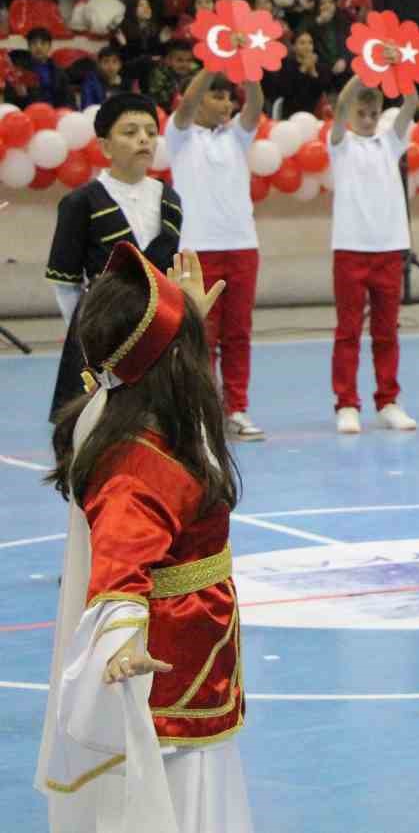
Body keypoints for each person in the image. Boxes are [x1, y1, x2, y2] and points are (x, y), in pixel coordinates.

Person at [36, 243, 252, 833]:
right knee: (175, 804)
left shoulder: (124, 407)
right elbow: (118, 567)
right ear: (173, 361)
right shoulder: (140, 461)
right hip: (169, 666)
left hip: (196, 650)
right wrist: (121, 638)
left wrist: (191, 328)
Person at [45, 94, 183, 418]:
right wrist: (89, 333)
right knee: (99, 426)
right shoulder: (80, 203)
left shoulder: (171, 200)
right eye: (130, 131)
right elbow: (65, 285)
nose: (143, 139)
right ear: (105, 146)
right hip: (101, 334)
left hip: (160, 331)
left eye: (150, 131)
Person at [166, 70, 267, 441]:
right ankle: (201, 411)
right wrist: (212, 61)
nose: (226, 105)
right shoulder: (179, 135)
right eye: (217, 96)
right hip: (196, 249)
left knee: (238, 333)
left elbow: (254, 104)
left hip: (242, 245)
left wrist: (250, 66)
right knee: (200, 336)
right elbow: (186, 103)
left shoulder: (238, 136)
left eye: (229, 98)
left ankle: (237, 408)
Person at [327, 75, 419, 434]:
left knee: (387, 332)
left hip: (389, 247)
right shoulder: (339, 143)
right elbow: (339, 108)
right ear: (351, 113)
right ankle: (347, 403)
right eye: (361, 113)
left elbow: (410, 103)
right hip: (350, 248)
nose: (367, 119)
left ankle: (388, 401)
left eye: (373, 113)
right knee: (348, 331)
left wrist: (397, 72)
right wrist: (362, 72)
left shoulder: (390, 142)